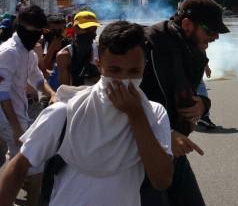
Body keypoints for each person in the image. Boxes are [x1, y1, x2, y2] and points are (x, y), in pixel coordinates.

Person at [0, 21, 173, 206]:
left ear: (144, 66)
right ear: (99, 65)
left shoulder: (153, 114)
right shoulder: (65, 112)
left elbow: (161, 179)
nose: (123, 79)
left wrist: (136, 116)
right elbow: (18, 168)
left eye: (133, 71)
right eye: (114, 70)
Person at [140, 0, 229, 206]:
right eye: (210, 31)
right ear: (187, 24)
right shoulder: (147, 44)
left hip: (174, 149)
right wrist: (165, 134)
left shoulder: (190, 49)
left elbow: (193, 91)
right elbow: (124, 101)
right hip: (143, 152)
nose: (215, 37)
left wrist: (203, 104)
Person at [0, 5, 56, 206]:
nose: (38, 38)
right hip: (6, 115)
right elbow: (2, 93)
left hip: (17, 111)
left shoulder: (28, 53)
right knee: (35, 165)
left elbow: (37, 78)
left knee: (15, 162)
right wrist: (15, 127)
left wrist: (52, 93)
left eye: (41, 33)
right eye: (35, 32)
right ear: (22, 27)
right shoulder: (9, 52)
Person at [56, 11, 100, 86]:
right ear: (75, 29)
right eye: (87, 29)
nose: (91, 33)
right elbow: (65, 89)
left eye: (94, 29)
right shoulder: (64, 56)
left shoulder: (100, 50)